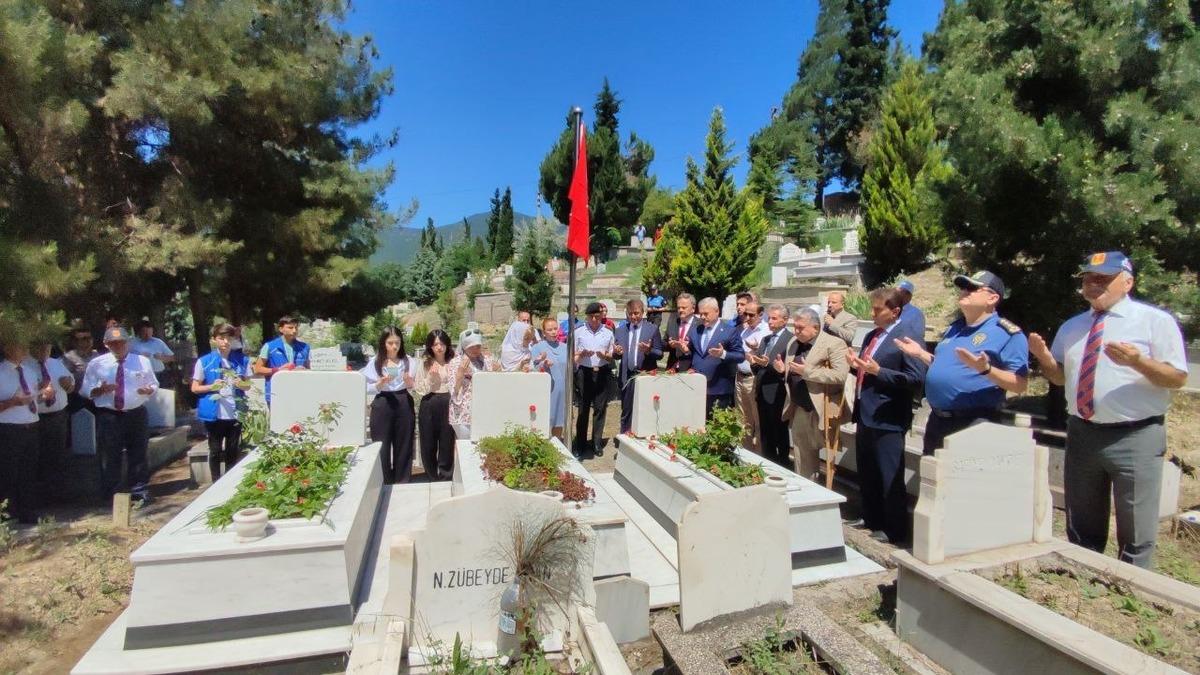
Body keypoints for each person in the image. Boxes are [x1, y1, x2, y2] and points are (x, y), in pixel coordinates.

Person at [1029, 251, 1187, 569]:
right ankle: (1084, 576)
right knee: (1082, 520)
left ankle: (1133, 587)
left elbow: (1177, 378)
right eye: (1088, 278)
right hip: (1083, 433)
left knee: (1136, 526)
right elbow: (1060, 376)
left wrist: (1138, 361)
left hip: (1135, 435)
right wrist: (1045, 358)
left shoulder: (1154, 322)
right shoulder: (1073, 327)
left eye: (1103, 278)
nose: (1093, 285)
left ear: (1127, 282)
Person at [895, 271, 1029, 455]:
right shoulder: (955, 328)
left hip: (973, 423)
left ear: (993, 298)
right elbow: (947, 365)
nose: (965, 291)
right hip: (938, 420)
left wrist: (986, 370)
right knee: (933, 480)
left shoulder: (1006, 333)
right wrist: (920, 354)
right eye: (964, 287)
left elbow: (1020, 384)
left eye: (973, 288)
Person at [846, 288, 927, 544]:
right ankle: (871, 517)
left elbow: (916, 379)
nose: (872, 314)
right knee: (868, 470)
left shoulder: (906, 338)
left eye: (877, 310)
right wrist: (854, 365)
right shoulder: (872, 335)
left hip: (888, 416)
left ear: (895, 311)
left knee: (889, 474)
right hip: (866, 413)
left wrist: (879, 371)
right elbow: (865, 372)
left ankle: (895, 529)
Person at [83, 326, 159, 506]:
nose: (118, 346)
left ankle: (139, 490)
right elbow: (85, 390)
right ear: (106, 344)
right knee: (110, 455)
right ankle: (112, 493)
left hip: (135, 412)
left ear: (128, 342)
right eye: (113, 343)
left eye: (122, 342)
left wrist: (148, 390)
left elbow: (154, 384)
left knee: (138, 453)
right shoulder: (97, 364)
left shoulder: (141, 361)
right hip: (110, 414)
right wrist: (99, 390)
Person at [784, 307, 851, 481]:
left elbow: (840, 375)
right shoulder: (793, 342)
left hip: (821, 408)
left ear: (815, 327)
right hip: (799, 406)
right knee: (801, 453)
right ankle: (803, 487)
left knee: (819, 452)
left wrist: (807, 372)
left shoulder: (834, 344)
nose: (795, 331)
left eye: (800, 328)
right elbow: (790, 368)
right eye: (795, 327)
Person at [190, 324, 252, 481]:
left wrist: (241, 384)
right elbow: (195, 387)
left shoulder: (242, 360)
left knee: (232, 449)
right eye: (221, 338)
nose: (225, 342)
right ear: (214, 340)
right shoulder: (205, 361)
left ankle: (229, 482)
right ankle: (215, 481)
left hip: (235, 412)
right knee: (215, 449)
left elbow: (248, 385)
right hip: (214, 414)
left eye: (229, 338)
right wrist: (212, 386)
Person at [361, 327, 416, 484]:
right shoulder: (375, 362)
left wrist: (410, 383)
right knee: (381, 444)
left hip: (403, 400)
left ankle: (402, 480)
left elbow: (415, 386)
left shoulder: (409, 361)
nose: (394, 346)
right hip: (383, 402)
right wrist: (378, 384)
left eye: (397, 343)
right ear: (383, 343)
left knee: (404, 443)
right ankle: (384, 480)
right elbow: (364, 386)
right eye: (390, 343)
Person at [0, 339, 42, 523]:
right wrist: (13, 402)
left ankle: (27, 510)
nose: (24, 349)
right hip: (9, 429)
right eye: (20, 345)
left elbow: (32, 398)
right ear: (8, 348)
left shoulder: (30, 372)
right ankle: (7, 511)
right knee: (9, 472)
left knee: (28, 471)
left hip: (31, 426)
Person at [747, 304, 792, 467]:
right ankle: (769, 464)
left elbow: (786, 368)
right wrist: (753, 362)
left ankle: (783, 465)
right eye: (769, 318)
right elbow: (759, 366)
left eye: (774, 318)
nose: (770, 322)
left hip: (777, 393)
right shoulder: (766, 339)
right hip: (762, 391)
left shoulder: (790, 340)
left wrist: (769, 365)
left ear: (785, 320)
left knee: (779, 432)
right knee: (765, 433)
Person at [30, 339, 74, 504]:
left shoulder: (56, 363)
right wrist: (39, 389)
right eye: (40, 347)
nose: (44, 350)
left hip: (58, 416)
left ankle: (57, 496)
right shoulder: (25, 366)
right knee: (37, 458)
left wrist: (68, 384)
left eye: (47, 347)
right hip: (37, 419)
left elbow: (71, 387)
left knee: (57, 457)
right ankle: (38, 498)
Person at [686, 297, 746, 417]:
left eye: (706, 314)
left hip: (719, 389)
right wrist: (686, 350)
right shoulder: (695, 330)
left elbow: (740, 356)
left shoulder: (729, 331)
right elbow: (694, 353)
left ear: (717, 311)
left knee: (717, 426)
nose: (702, 317)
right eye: (700, 314)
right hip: (697, 386)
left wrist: (723, 354)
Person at [613, 299, 664, 434]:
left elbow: (659, 354)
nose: (633, 317)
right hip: (627, 376)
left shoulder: (652, 329)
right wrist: (616, 353)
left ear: (643, 312)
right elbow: (616, 355)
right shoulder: (620, 331)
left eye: (636, 313)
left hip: (645, 374)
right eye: (630, 314)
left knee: (645, 408)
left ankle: (643, 436)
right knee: (626, 410)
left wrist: (648, 351)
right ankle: (624, 437)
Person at [573, 302, 615, 457]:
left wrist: (605, 356)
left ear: (602, 316)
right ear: (587, 317)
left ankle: (596, 443)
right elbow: (573, 355)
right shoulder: (579, 332)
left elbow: (611, 356)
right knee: (583, 409)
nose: (595, 320)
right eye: (592, 317)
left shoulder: (608, 332)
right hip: (584, 373)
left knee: (600, 408)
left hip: (602, 372)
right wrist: (581, 354)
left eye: (598, 317)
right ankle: (580, 444)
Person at [414, 330, 456, 481]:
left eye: (442, 343)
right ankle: (431, 475)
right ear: (430, 346)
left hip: (448, 401)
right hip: (430, 402)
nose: (439, 347)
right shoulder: (425, 364)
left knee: (447, 441)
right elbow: (419, 389)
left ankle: (446, 475)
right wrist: (431, 377)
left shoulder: (453, 361)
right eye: (435, 344)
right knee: (428, 442)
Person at [448, 326, 500, 439]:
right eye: (472, 347)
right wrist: (461, 372)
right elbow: (454, 390)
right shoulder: (456, 363)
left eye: (478, 346)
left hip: (485, 410)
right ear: (464, 347)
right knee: (466, 445)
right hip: (464, 413)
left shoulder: (486, 360)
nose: (475, 349)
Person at [735, 301, 771, 453]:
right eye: (745, 314)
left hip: (753, 378)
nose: (748, 318)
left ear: (761, 315)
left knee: (757, 419)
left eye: (752, 315)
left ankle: (760, 456)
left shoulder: (766, 332)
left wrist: (757, 350)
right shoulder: (744, 331)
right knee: (742, 419)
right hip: (739, 377)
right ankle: (745, 453)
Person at [253, 316, 310, 405]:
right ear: (281, 329)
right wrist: (278, 370)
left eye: (296, 327)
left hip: (298, 392)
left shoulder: (305, 347)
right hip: (276, 392)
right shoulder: (269, 346)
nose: (294, 331)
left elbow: (309, 369)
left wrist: (304, 370)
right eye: (290, 328)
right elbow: (257, 369)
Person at [530, 318, 568, 439]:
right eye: (549, 329)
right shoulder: (538, 347)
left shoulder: (565, 347)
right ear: (544, 332)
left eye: (555, 328)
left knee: (559, 418)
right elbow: (534, 367)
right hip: (546, 390)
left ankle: (557, 443)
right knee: (545, 418)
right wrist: (544, 364)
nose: (553, 332)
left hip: (562, 390)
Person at [63, 325, 99, 413]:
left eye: (89, 338)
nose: (87, 341)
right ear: (76, 342)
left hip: (96, 396)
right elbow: (66, 377)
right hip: (78, 399)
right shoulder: (69, 357)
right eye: (83, 338)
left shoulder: (97, 355)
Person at [130, 319, 176, 386]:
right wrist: (139, 356)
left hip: (160, 374)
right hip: (142, 375)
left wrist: (161, 357)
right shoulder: (132, 344)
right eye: (145, 333)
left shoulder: (158, 342)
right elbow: (126, 359)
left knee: (162, 394)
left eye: (150, 333)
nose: (148, 335)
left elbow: (172, 358)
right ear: (139, 332)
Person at [664, 293, 698, 371]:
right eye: (678, 308)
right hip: (672, 368)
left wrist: (687, 351)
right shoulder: (673, 320)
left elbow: (701, 352)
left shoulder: (700, 325)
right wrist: (669, 344)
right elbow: (665, 342)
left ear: (693, 308)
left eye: (684, 307)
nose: (680, 310)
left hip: (690, 370)